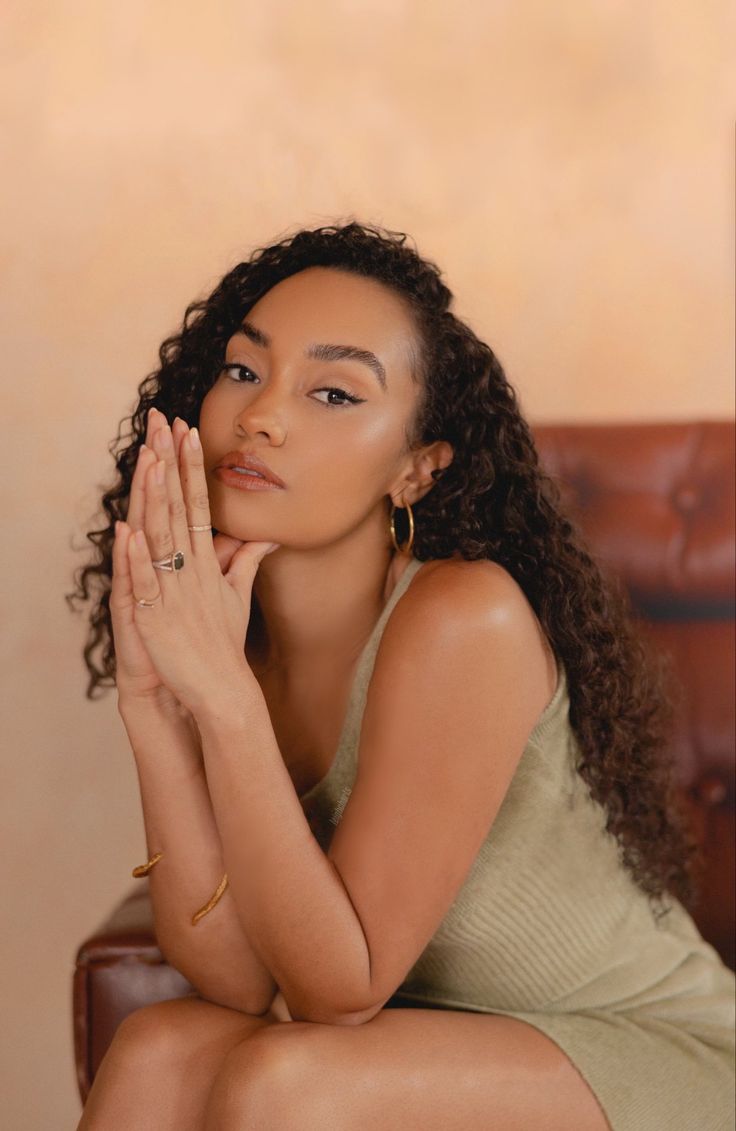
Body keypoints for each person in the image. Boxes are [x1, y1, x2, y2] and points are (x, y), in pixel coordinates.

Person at [69, 221, 734, 1130]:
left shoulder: (465, 618)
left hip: (645, 1052)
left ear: (415, 471)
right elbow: (234, 975)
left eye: (334, 392)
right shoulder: (226, 633)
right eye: (242, 369)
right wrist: (155, 702)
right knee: (154, 1051)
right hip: (425, 1048)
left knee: (288, 1080)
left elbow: (337, 992)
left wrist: (218, 699)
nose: (262, 414)